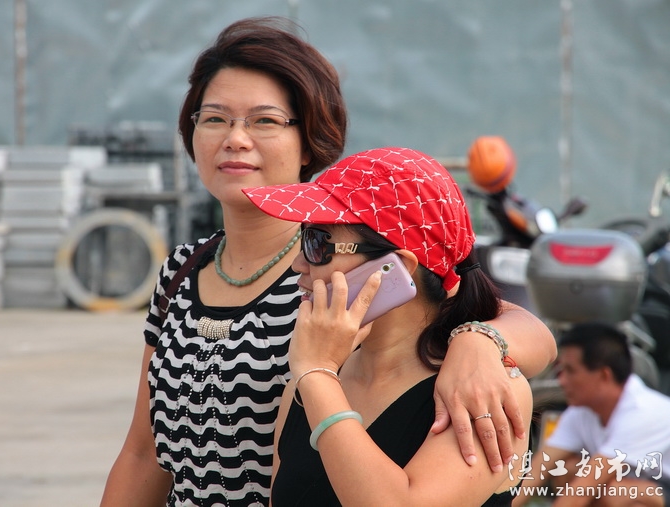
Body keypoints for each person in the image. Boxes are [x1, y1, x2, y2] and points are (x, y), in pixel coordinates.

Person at [100, 17, 556, 506]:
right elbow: (144, 453)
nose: (235, 138)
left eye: (264, 120)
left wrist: (480, 342)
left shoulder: (333, 291)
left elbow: (503, 316)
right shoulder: (184, 269)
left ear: (308, 139)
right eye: (214, 118)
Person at [243, 146, 533, 506]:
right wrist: (316, 375)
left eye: (317, 243)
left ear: (395, 267)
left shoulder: (483, 390)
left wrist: (317, 373)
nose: (298, 265)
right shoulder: (303, 388)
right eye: (304, 236)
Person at [512, 322, 670, 507]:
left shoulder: (643, 413)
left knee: (615, 494)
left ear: (604, 375)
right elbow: (536, 472)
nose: (561, 380)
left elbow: (583, 489)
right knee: (567, 470)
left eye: (570, 371)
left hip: (662, 486)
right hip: (626, 480)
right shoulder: (580, 411)